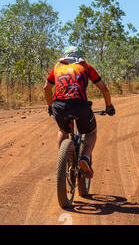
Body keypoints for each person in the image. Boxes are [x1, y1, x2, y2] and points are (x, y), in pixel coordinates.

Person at [44, 46, 115, 179]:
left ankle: (64, 160)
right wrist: (109, 106)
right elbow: (104, 89)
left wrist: (50, 106)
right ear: (79, 57)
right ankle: (86, 158)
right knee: (90, 132)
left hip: (59, 105)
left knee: (63, 130)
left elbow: (46, 88)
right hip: (79, 105)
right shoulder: (86, 66)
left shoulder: (57, 67)